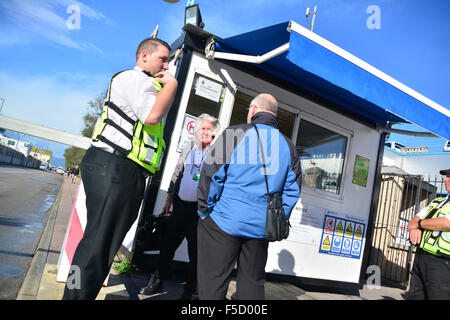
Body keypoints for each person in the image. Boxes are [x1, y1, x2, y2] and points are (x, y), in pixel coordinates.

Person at [62, 38, 178, 300]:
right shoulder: (136, 80)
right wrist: (172, 84)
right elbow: (152, 116)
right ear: (145, 56)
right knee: (96, 246)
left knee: (101, 245)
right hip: (115, 168)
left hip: (120, 169)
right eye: (164, 59)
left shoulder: (143, 83)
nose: (167, 65)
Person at [196, 93, 302, 300]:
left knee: (213, 282)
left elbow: (211, 175)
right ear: (274, 114)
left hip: (223, 222)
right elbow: (293, 190)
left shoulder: (233, 134)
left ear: (252, 110)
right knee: (252, 285)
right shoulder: (289, 147)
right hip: (261, 228)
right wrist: (276, 217)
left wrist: (204, 211)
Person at [140, 114, 220, 300]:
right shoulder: (189, 148)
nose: (205, 132)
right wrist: (169, 198)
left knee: (196, 253)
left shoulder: (217, 154)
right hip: (181, 206)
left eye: (209, 129)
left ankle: (191, 289)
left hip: (200, 212)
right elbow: (177, 173)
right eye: (202, 128)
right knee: (167, 246)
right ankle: (157, 281)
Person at [405, 168, 450, 300]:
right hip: (421, 257)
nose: (445, 179)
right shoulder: (437, 202)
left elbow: (446, 223)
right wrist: (415, 228)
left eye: (449, 176)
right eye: (445, 176)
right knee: (414, 296)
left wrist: (419, 224)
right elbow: (414, 220)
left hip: (442, 262)